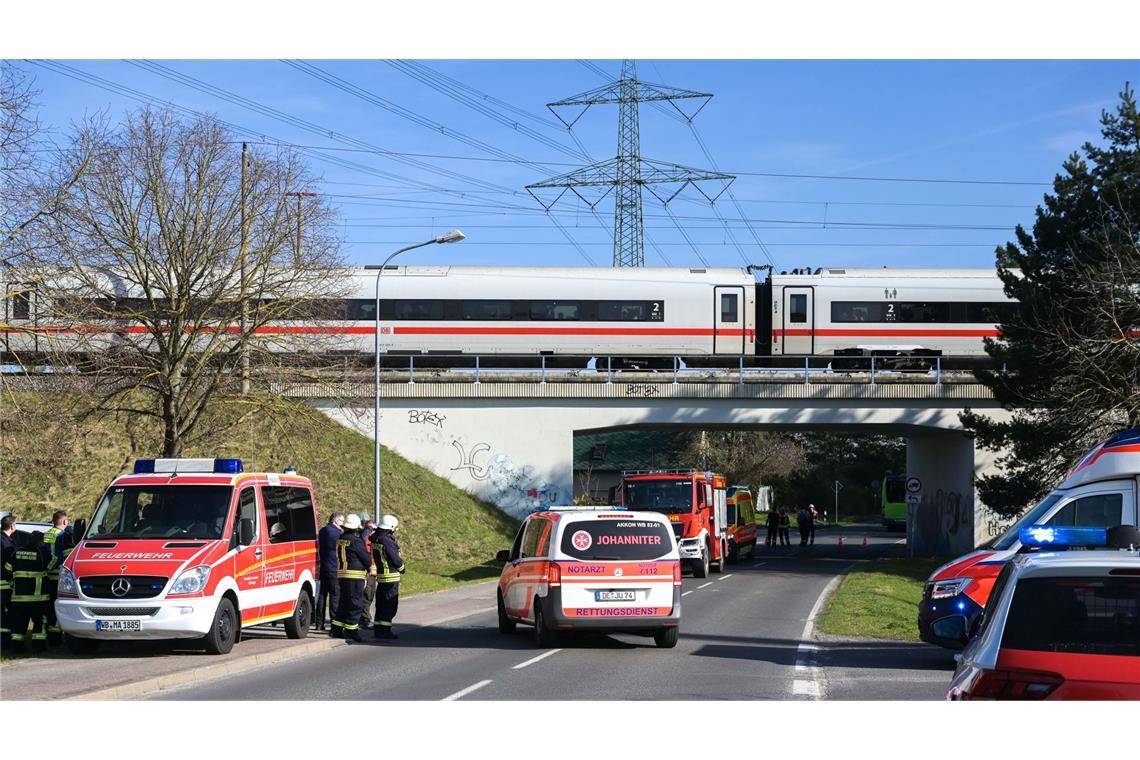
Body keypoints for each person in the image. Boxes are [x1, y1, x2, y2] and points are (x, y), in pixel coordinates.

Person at [6, 530, 54, 652]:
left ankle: (16, 648)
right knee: (39, 623)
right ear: (40, 542)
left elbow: (8, 569)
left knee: (19, 624)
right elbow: (52, 564)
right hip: (38, 597)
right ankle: (38, 647)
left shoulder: (16, 552)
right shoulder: (42, 552)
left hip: (18, 598)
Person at [331, 513, 371, 642]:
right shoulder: (356, 541)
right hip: (354, 576)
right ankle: (351, 630)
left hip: (342, 574)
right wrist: (369, 566)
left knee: (343, 602)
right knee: (356, 604)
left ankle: (336, 629)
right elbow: (366, 557)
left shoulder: (341, 538)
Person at [371, 514, 406, 640]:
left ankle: (378, 629)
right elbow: (395, 559)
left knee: (380, 605)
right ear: (390, 527)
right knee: (389, 605)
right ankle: (385, 631)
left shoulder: (376, 539)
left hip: (381, 576)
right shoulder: (387, 540)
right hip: (391, 577)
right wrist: (402, 568)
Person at [42, 510, 69, 644]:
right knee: (59, 608)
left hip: (47, 576)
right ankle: (57, 637)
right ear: (65, 521)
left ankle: (50, 635)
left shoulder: (47, 534)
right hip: (59, 577)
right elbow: (64, 556)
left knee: (49, 608)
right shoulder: (64, 536)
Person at [315, 513, 344, 631]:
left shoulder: (322, 531)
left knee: (322, 595)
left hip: (323, 567)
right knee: (335, 596)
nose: (343, 524)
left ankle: (319, 623)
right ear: (336, 521)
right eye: (342, 521)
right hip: (334, 569)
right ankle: (334, 623)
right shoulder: (339, 534)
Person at [358, 517, 377, 630]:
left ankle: (364, 617)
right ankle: (365, 619)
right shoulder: (364, 537)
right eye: (372, 529)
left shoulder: (372, 538)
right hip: (367, 571)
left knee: (370, 596)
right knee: (367, 595)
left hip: (373, 572)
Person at [1, 515, 17, 647]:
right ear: (12, 526)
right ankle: (4, 642)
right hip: (4, 584)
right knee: (5, 614)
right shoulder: (6, 542)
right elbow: (9, 565)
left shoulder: (4, 540)